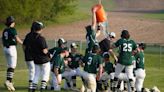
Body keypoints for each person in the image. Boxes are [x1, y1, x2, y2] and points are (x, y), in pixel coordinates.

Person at [28, 21, 51, 92]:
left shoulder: (30, 38)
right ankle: (42, 89)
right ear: (40, 29)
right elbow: (44, 51)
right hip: (44, 60)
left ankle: (33, 89)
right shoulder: (41, 38)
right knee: (45, 75)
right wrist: (49, 55)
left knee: (36, 75)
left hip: (36, 59)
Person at [2, 16, 23, 91]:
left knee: (9, 66)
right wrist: (23, 43)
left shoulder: (5, 30)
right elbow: (17, 39)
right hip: (11, 48)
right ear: (12, 22)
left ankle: (9, 82)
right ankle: (8, 81)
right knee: (12, 66)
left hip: (5, 48)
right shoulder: (12, 29)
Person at [23, 22, 38, 90]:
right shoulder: (35, 36)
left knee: (32, 71)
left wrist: (25, 52)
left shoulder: (28, 35)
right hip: (32, 56)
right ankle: (31, 86)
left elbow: (23, 45)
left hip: (27, 56)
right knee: (33, 71)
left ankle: (32, 85)